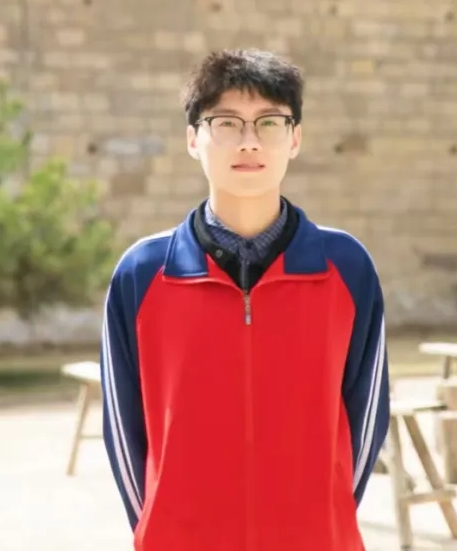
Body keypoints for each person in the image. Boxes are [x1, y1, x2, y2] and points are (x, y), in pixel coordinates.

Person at [100, 48, 391, 551]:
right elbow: (123, 429)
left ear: (295, 138)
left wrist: (324, 518)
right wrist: (160, 528)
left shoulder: (345, 267)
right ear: (193, 139)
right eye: (226, 122)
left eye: (270, 122)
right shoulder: (143, 273)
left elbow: (367, 415)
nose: (249, 141)